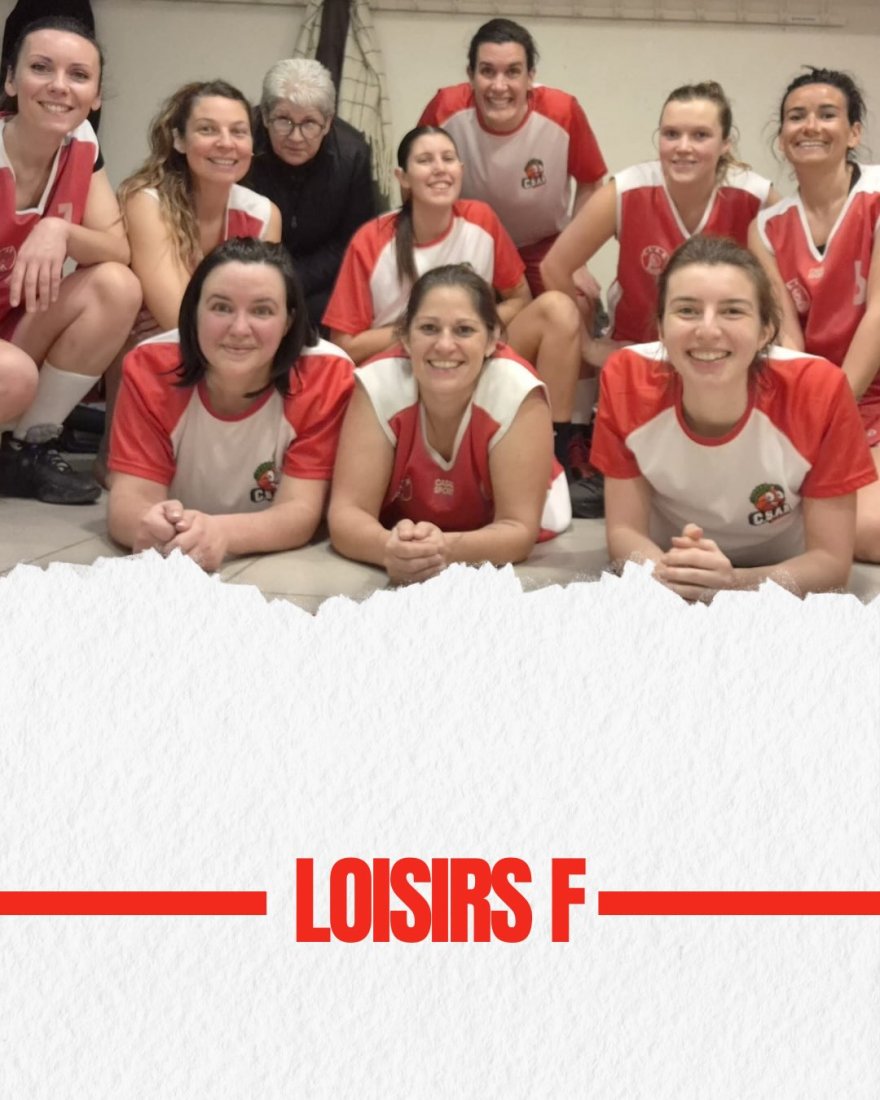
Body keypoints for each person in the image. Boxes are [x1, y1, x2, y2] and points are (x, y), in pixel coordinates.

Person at [589, 235, 875, 601]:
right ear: (660, 328)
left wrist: (735, 584)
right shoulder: (625, 377)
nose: (708, 330)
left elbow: (830, 565)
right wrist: (667, 576)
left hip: (781, 568)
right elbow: (624, 533)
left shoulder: (820, 389)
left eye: (732, 311)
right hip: (668, 561)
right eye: (687, 310)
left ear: (766, 331)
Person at [323, 125, 588, 503]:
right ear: (402, 177)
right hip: (403, 364)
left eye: (448, 159)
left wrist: (471, 330)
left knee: (558, 309)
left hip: (471, 354)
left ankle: (555, 455)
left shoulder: (481, 219)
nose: (439, 169)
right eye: (425, 160)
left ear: (461, 170)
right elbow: (345, 345)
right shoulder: (373, 238)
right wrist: (423, 331)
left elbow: (520, 298)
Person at [107, 237, 354, 573]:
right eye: (221, 307)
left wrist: (219, 533)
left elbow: (299, 512)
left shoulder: (325, 373)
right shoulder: (150, 365)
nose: (239, 329)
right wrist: (150, 525)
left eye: (262, 311)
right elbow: (129, 500)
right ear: (194, 312)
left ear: (288, 321)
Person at [328, 263, 570, 584]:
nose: (444, 345)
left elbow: (517, 531)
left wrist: (442, 550)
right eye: (429, 328)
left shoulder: (517, 390)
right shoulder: (377, 382)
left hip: (514, 529)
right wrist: (388, 549)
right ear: (405, 337)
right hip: (409, 528)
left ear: (492, 339)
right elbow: (346, 515)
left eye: (464, 330)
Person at [0, 15, 140, 503]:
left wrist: (57, 229)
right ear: (11, 80)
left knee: (116, 285)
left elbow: (116, 248)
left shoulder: (82, 143)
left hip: (13, 322)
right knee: (12, 375)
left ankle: (25, 449)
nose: (59, 86)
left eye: (78, 75)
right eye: (41, 67)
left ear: (96, 96)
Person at [542, 81, 777, 366]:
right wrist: (587, 346)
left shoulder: (755, 196)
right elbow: (554, 266)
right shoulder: (626, 191)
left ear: (725, 143)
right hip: (640, 353)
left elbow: (783, 288)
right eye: (671, 134)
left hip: (722, 355)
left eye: (700, 135)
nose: (683, 147)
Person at [750, 66, 880, 562]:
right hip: (823, 397)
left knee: (866, 533)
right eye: (796, 116)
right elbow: (790, 342)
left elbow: (877, 314)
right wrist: (809, 417)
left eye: (827, 115)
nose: (810, 126)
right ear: (782, 136)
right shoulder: (766, 227)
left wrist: (832, 414)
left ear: (854, 132)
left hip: (861, 395)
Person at [418, 18, 606, 297]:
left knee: (576, 306)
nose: (499, 86)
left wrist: (576, 259)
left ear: (530, 77)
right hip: (467, 242)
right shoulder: (445, 108)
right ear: (471, 75)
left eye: (512, 72)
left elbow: (590, 182)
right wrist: (425, 247)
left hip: (544, 246)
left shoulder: (563, 112)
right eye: (487, 71)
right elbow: (414, 178)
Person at [246, 57, 376, 330]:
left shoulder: (353, 154)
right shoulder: (241, 140)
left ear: (328, 122)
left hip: (318, 280)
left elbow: (351, 240)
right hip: (246, 270)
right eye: (284, 120)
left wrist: (288, 281)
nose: (296, 137)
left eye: (309, 123)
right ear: (265, 116)